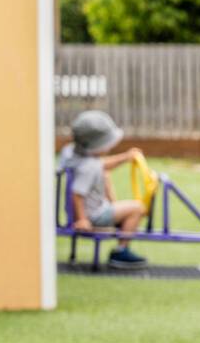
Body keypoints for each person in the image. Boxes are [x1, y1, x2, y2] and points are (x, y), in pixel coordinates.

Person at [57, 109, 148, 267]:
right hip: (94, 216)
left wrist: (125, 157)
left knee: (105, 175)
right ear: (96, 146)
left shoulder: (71, 154)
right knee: (137, 208)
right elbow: (77, 193)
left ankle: (117, 222)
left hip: (84, 211)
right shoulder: (90, 167)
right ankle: (121, 251)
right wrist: (83, 219)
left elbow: (102, 165)